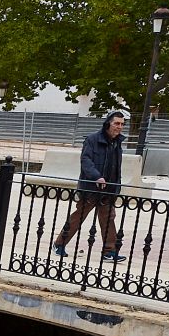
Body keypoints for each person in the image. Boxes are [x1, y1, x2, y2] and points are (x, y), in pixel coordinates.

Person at [53, 110, 127, 262]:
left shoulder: (117, 143)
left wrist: (116, 186)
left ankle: (109, 251)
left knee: (108, 218)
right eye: (116, 123)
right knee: (79, 216)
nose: (119, 127)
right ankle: (59, 244)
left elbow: (116, 167)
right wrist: (96, 177)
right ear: (108, 124)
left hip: (108, 189)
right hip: (91, 188)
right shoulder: (92, 139)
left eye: (122, 124)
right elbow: (86, 161)